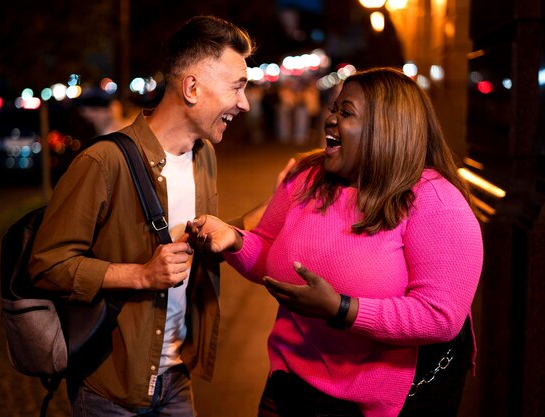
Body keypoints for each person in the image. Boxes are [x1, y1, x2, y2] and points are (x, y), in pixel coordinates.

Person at [189, 67, 483, 417]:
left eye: (346, 113)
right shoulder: (308, 176)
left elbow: (440, 315)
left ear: (385, 129)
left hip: (381, 402)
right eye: (333, 109)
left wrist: (342, 309)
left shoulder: (435, 200)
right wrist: (235, 242)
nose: (330, 119)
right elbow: (270, 251)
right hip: (293, 379)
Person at [29, 15, 255, 417]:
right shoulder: (101, 162)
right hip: (110, 385)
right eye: (237, 87)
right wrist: (139, 275)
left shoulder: (206, 157)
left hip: (176, 376)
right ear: (191, 87)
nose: (244, 102)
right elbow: (47, 265)